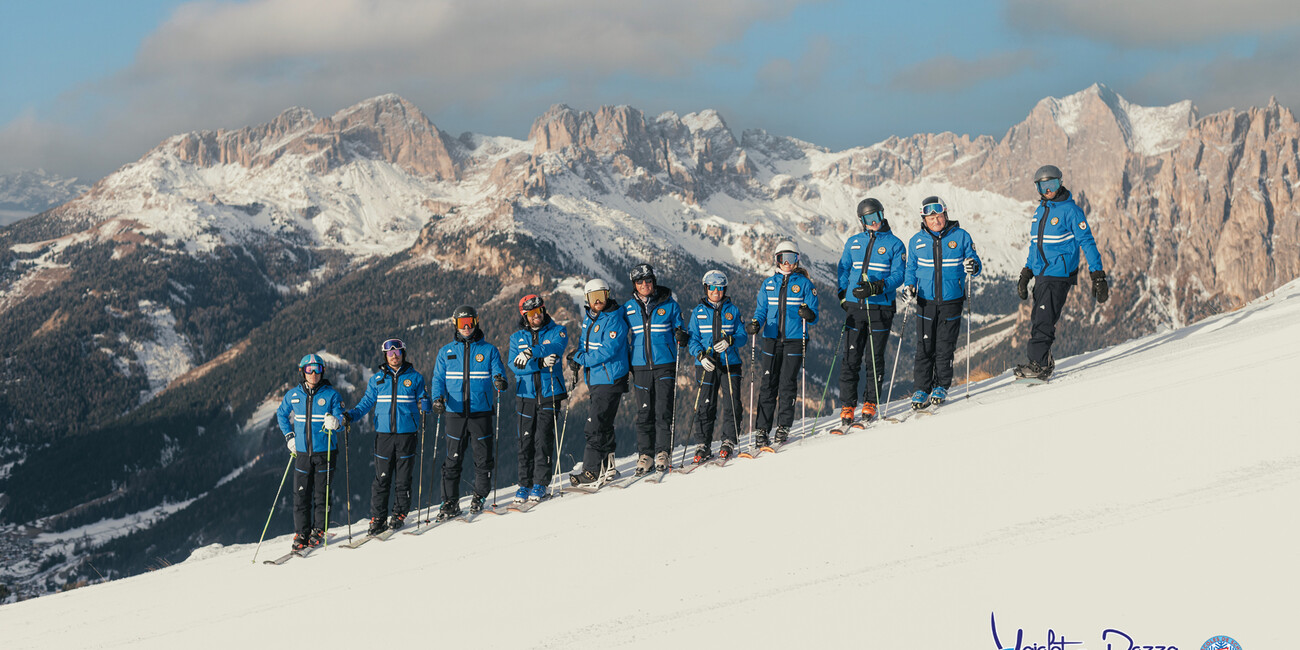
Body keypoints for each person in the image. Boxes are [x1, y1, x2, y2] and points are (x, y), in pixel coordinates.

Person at [1015, 165, 1109, 381]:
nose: (1048, 190)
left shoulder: (1071, 211)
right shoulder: (1040, 211)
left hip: (1058, 273)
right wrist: (1026, 273)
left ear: (1060, 183)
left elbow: (1087, 241)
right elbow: (1035, 246)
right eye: (1043, 186)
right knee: (1039, 317)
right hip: (1042, 273)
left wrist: (1098, 276)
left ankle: (1038, 365)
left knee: (1044, 319)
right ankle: (1043, 362)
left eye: (1052, 185)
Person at [901, 196, 982, 409]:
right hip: (925, 301)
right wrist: (909, 286)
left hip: (951, 300)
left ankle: (941, 386)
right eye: (930, 217)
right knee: (924, 347)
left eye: (938, 215)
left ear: (945, 214)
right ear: (924, 219)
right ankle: (921, 388)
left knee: (945, 346)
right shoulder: (916, 241)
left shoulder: (961, 236)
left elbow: (974, 259)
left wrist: (973, 266)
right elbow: (910, 268)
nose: (935, 220)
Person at [344, 338, 430, 536]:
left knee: (402, 478)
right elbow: (366, 403)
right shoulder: (377, 379)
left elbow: (424, 402)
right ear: (385, 356)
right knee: (381, 478)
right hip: (384, 435)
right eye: (390, 353)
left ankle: (399, 514)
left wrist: (426, 404)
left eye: (397, 352)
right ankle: (378, 518)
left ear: (403, 354)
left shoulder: (415, 378)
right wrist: (351, 415)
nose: (394, 356)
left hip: (407, 434)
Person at [430, 306, 508, 519]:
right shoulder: (446, 351)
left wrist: (499, 381)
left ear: (476, 322)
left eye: (470, 322)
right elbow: (438, 379)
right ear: (455, 324)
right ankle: (449, 502)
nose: (466, 327)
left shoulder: (489, 350)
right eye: (461, 323)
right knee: (452, 459)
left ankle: (479, 496)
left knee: (483, 458)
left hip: (480, 411)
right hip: (454, 412)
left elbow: (498, 371)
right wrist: (437, 398)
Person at [835, 198, 906, 428]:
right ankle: (848, 404)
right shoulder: (854, 242)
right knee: (851, 357)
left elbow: (899, 275)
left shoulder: (895, 244)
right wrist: (843, 294)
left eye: (876, 217)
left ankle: (870, 401)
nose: (873, 222)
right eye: (868, 219)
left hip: (881, 307)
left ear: (882, 215)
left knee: (874, 358)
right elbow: (844, 268)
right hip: (855, 307)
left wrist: (876, 287)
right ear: (861, 221)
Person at [745, 240, 819, 446]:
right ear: (776, 260)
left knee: (787, 383)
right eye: (782, 259)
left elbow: (815, 316)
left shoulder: (805, 284)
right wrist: (755, 323)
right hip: (771, 339)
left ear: (797, 260)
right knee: (768, 384)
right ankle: (762, 429)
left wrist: (808, 314)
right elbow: (761, 311)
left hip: (795, 340)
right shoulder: (768, 284)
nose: (786, 263)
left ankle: (784, 426)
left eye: (791, 258)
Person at [275, 354, 345, 551]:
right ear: (302, 371)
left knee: (322, 495)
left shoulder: (331, 395)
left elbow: (341, 418)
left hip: (326, 453)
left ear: (322, 371)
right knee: (300, 495)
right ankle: (302, 532)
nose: (313, 374)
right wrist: (289, 437)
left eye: (317, 369)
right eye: (309, 369)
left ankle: (319, 530)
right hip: (303, 454)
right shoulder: (294, 395)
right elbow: (281, 414)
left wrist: (336, 422)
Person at [565, 278, 630, 485]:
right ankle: (608, 466)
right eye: (594, 297)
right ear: (587, 299)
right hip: (597, 378)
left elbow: (607, 351)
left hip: (610, 378)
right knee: (605, 423)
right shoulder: (590, 318)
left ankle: (591, 471)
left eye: (601, 296)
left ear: (607, 295)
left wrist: (581, 359)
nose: (598, 301)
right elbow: (585, 344)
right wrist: (578, 356)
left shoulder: (614, 320)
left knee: (593, 426)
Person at [623, 263, 686, 475]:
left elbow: (681, 328)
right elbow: (619, 335)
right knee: (644, 412)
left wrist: (681, 336)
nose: (644, 285)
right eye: (640, 281)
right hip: (640, 366)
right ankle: (646, 454)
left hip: (664, 364)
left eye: (648, 280)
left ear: (654, 282)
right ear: (634, 284)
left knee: (662, 410)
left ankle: (662, 452)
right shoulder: (628, 308)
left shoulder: (669, 305)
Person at [507, 294, 569, 502]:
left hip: (550, 392)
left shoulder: (557, 331)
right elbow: (514, 365)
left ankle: (540, 483)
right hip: (525, 395)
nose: (537, 316)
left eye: (540, 311)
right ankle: (524, 484)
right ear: (524, 315)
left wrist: (530, 352)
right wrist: (540, 364)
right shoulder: (516, 338)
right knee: (525, 441)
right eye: (532, 313)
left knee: (543, 439)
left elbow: (555, 348)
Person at [687, 270, 747, 462]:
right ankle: (702, 443)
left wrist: (731, 340)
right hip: (706, 364)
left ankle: (729, 440)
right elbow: (692, 339)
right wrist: (700, 355)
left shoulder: (733, 311)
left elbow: (743, 336)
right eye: (712, 288)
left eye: (720, 288)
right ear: (706, 288)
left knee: (731, 402)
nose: (716, 292)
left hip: (730, 363)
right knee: (705, 404)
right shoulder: (697, 312)